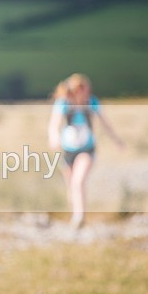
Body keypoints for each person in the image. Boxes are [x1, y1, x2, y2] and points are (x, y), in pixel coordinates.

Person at [47, 73, 123, 228]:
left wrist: (116, 140)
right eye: (84, 90)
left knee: (78, 181)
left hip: (87, 149)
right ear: (76, 90)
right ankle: (76, 213)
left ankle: (79, 217)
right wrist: (54, 138)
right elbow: (54, 124)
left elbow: (105, 123)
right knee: (71, 185)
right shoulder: (63, 103)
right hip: (68, 150)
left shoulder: (92, 102)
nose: (87, 93)